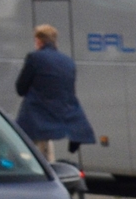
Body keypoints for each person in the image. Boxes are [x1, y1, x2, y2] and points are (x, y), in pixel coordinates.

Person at [13, 24, 95, 161]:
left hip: (35, 122)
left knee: (30, 160)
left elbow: (20, 88)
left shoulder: (34, 58)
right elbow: (69, 93)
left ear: (39, 41)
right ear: (55, 41)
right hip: (58, 121)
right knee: (48, 160)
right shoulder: (68, 61)